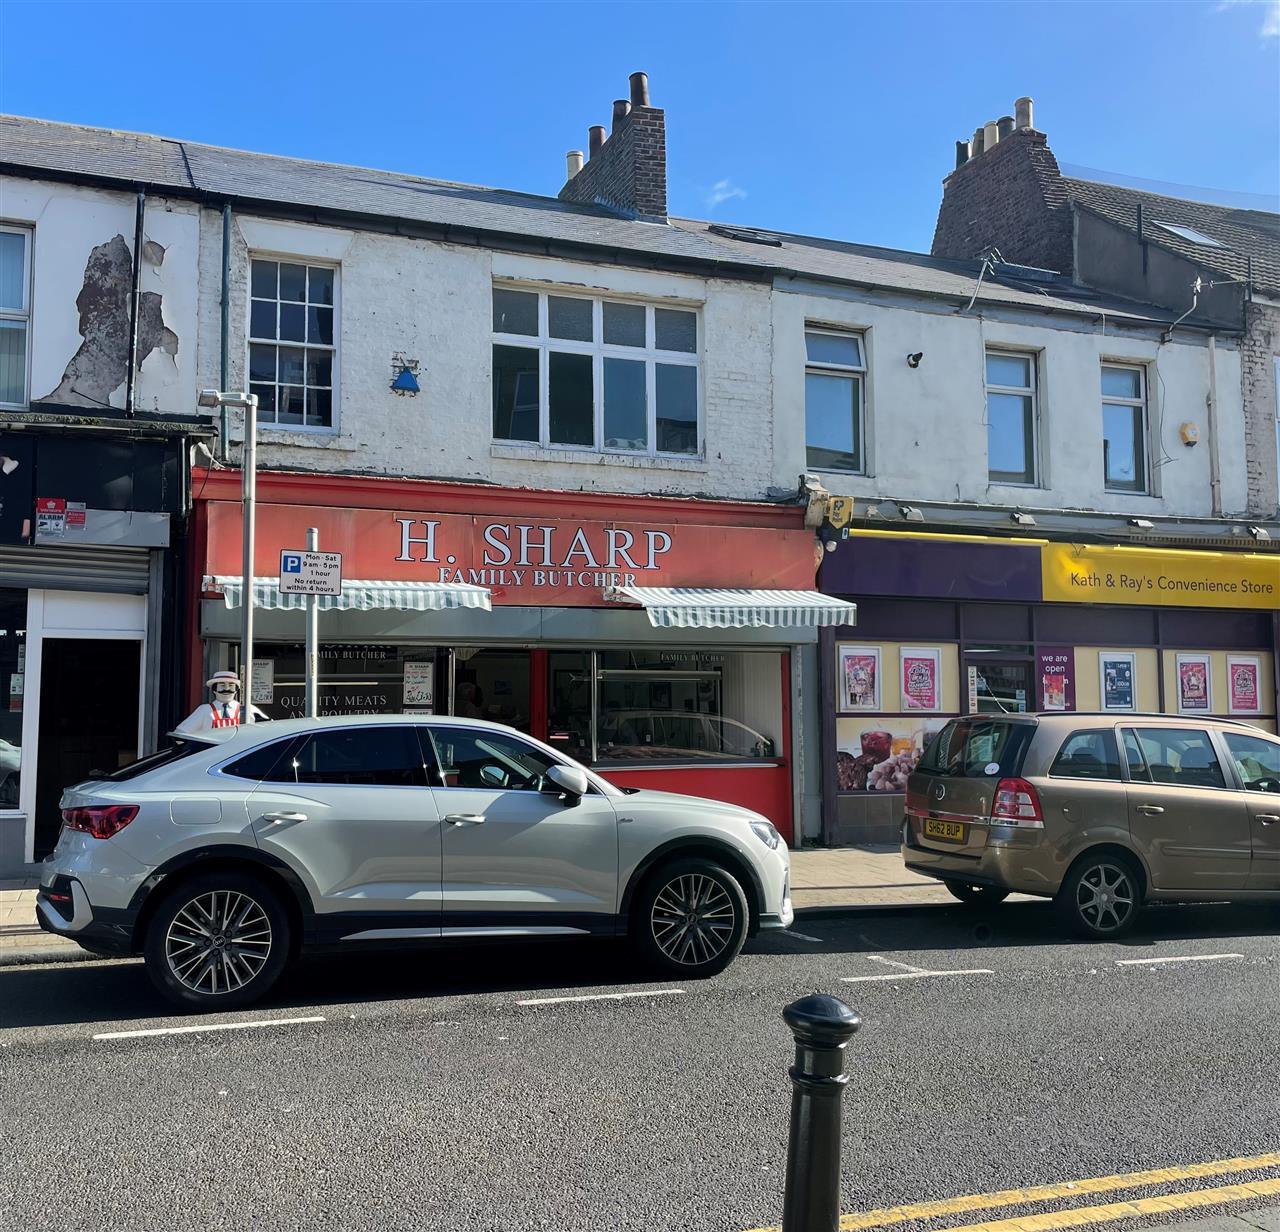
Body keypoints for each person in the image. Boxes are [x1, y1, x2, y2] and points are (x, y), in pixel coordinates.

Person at [175, 671, 267, 734]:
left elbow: (267, 730)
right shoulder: (204, 710)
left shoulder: (248, 709)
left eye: (231, 685)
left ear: (236, 690)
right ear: (214, 689)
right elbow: (180, 733)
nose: (226, 689)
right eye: (222, 685)